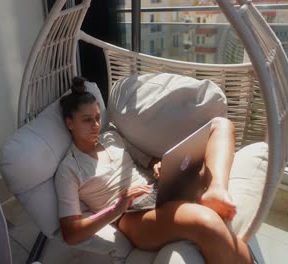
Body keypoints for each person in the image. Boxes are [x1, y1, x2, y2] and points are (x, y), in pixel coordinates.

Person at [55, 77, 253, 264]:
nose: (96, 125)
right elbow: (71, 233)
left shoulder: (111, 137)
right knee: (206, 223)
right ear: (70, 123)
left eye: (98, 117)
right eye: (87, 120)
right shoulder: (69, 169)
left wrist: (157, 165)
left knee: (221, 125)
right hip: (131, 217)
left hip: (158, 189)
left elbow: (146, 160)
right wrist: (117, 207)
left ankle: (217, 187)